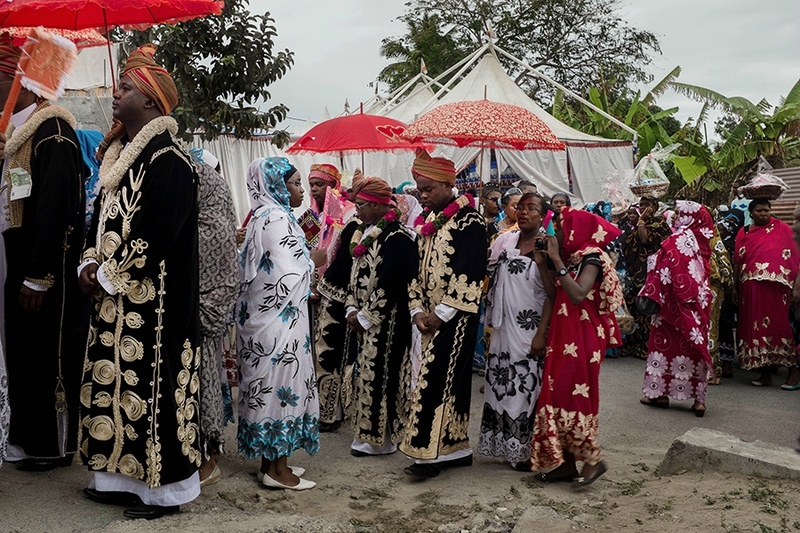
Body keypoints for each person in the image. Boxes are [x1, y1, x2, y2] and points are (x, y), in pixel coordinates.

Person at [77, 44, 201, 519]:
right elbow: (99, 221)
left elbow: (156, 232)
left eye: (125, 87)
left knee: (153, 388)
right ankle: (114, 479)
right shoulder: (117, 159)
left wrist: (108, 275)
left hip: (157, 304)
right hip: (112, 297)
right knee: (113, 386)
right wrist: (89, 263)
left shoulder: (168, 159)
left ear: (150, 101)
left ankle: (163, 492)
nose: (115, 91)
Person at [0, 34, 87, 471]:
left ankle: (51, 445)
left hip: (44, 272)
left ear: (22, 79)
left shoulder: (56, 133)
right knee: (20, 353)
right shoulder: (15, 134)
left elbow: (55, 211)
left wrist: (38, 274)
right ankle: (22, 436)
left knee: (46, 353)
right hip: (15, 265)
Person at [401, 151, 487, 479]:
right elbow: (414, 270)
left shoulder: (470, 221)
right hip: (426, 317)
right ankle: (457, 448)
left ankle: (428, 455)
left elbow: (470, 270)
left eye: (429, 188)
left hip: (456, 316)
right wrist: (416, 309)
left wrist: (441, 313)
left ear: (449, 185)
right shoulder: (425, 223)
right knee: (450, 383)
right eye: (420, 189)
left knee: (436, 379)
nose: (422, 194)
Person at [236, 157, 319, 491]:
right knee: (281, 390)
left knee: (268, 389)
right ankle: (277, 471)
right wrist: (315, 260)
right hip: (279, 326)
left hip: (267, 321)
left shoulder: (261, 215)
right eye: (296, 183)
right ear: (276, 186)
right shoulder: (277, 220)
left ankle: (270, 461)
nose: (301, 190)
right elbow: (286, 273)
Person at [530, 207, 622, 488]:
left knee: (574, 396)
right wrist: (542, 264)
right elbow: (554, 293)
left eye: (559, 227)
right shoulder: (572, 259)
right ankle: (567, 464)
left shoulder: (593, 257)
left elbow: (579, 294)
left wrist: (556, 259)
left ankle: (593, 460)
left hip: (583, 338)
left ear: (575, 230)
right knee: (556, 394)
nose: (555, 233)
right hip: (564, 334)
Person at [344, 176, 418, 457]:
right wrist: (351, 308)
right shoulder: (365, 232)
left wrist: (365, 317)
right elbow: (355, 277)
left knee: (383, 377)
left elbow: (394, 283)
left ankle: (382, 439)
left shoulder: (398, 237)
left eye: (361, 205)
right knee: (364, 377)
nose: (356, 210)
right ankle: (365, 435)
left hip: (387, 323)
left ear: (378, 206)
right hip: (361, 319)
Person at [478, 193, 552, 471]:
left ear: (543, 215)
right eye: (520, 207)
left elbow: (551, 293)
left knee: (525, 385)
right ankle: (502, 444)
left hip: (529, 326)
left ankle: (523, 451)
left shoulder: (548, 244)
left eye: (531, 208)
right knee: (500, 384)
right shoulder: (503, 240)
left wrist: (541, 333)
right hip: (502, 325)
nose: (523, 212)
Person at [191, 150, 239, 488]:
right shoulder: (195, 219)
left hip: (203, 317)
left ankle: (206, 461)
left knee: (203, 385)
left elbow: (225, 277)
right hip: (194, 316)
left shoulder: (212, 225)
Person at [639, 201, 714, 416]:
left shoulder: (677, 241)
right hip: (697, 303)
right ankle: (699, 401)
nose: (678, 217)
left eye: (682, 214)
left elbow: (659, 266)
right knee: (694, 345)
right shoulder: (704, 241)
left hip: (669, 304)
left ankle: (658, 394)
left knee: (664, 348)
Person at [733, 198, 800, 388]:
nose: (764, 214)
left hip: (775, 289)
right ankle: (765, 372)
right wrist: (735, 287)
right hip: (749, 289)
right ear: (751, 213)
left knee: (779, 328)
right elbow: (738, 260)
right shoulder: (743, 232)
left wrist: (796, 286)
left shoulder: (783, 229)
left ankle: (793, 372)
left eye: (767, 210)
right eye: (760, 210)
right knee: (755, 329)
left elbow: (796, 255)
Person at [621, 197, 671, 359]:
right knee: (633, 306)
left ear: (655, 207)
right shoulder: (635, 225)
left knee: (646, 309)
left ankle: (646, 348)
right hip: (634, 272)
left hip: (650, 273)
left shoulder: (659, 224)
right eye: (641, 205)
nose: (643, 208)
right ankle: (631, 345)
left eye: (647, 205)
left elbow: (646, 240)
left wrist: (641, 222)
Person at [299, 163, 355, 275]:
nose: (314, 189)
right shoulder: (310, 215)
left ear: (333, 185)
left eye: (319, 184)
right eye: (311, 185)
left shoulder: (350, 213)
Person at [717, 209, 745, 376]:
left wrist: (733, 286)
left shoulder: (736, 243)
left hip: (730, 288)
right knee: (720, 323)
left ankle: (727, 361)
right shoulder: (719, 242)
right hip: (718, 287)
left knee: (726, 323)